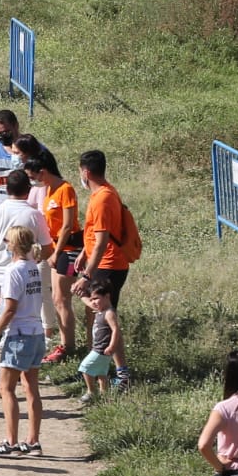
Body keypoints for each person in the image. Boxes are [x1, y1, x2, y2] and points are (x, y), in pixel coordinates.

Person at [0, 226, 49, 456]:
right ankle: (33, 441)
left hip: (19, 335)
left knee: (6, 388)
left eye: (6, 239)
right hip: (37, 333)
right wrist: (1, 301)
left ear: (12, 244)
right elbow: (23, 298)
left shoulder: (12, 270)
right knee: (32, 389)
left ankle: (10, 442)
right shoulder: (33, 268)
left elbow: (11, 309)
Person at [76, 150, 141, 380]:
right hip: (103, 262)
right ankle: (98, 367)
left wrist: (86, 275)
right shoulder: (104, 192)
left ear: (86, 172)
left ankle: (120, 373)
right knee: (100, 315)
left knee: (106, 317)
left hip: (108, 265)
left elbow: (103, 241)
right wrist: (84, 252)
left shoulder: (103, 198)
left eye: (80, 171)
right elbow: (98, 231)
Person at [0, 168, 52, 300]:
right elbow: (47, 248)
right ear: (29, 190)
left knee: (4, 316)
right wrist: (33, 261)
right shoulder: (35, 215)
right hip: (26, 278)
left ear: (7, 190)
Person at [33, 152, 84, 361]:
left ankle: (68, 346)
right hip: (56, 248)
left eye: (33, 176)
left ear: (43, 172)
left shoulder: (66, 189)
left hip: (69, 249)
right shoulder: (48, 190)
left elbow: (67, 224)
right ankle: (65, 343)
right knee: (57, 298)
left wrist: (55, 252)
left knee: (63, 298)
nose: (32, 180)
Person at [77, 274, 123, 402]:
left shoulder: (109, 313)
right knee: (101, 372)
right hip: (100, 348)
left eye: (96, 299)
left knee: (85, 368)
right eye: (91, 299)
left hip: (102, 348)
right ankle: (104, 394)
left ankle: (91, 392)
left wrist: (112, 346)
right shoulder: (100, 310)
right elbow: (88, 301)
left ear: (107, 296)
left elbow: (115, 330)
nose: (93, 302)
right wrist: (81, 294)